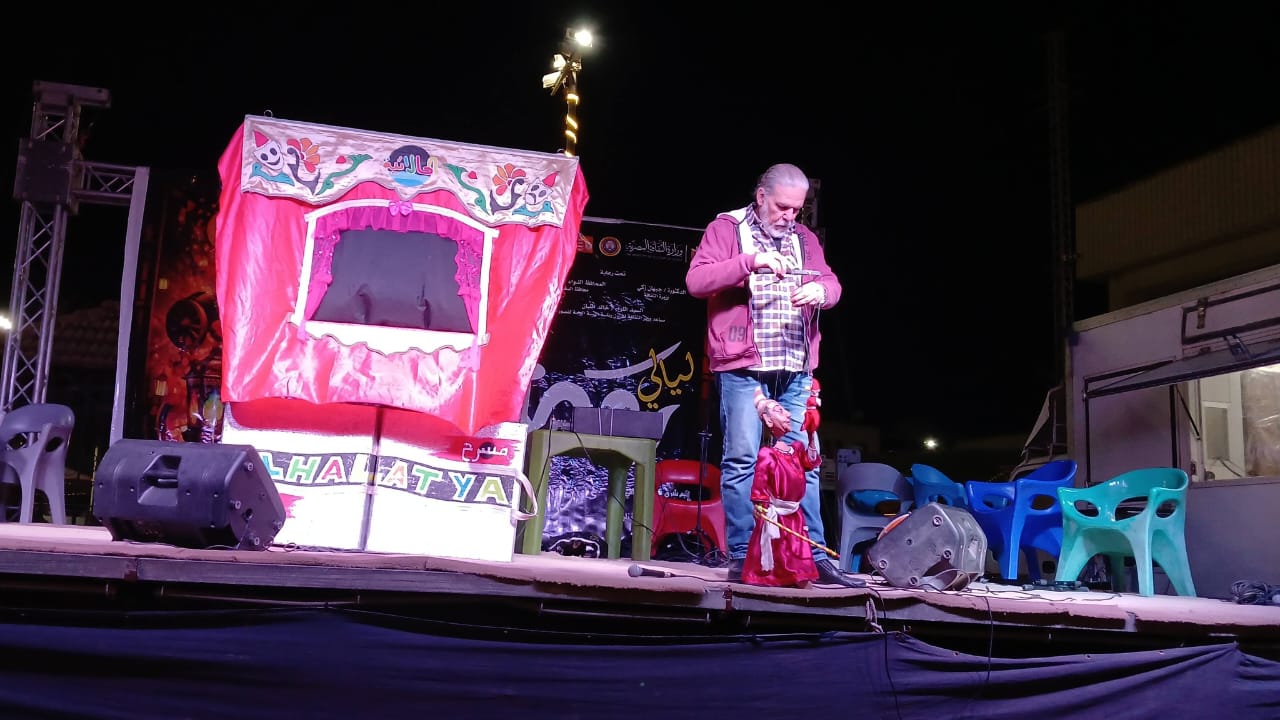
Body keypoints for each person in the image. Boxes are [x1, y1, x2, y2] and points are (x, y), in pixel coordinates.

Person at [685, 162, 864, 588]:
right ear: (761, 195)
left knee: (802, 464)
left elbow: (832, 283)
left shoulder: (804, 239)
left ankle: (813, 557)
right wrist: (750, 262)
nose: (789, 216)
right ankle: (743, 556)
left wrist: (822, 291)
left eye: (797, 209)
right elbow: (697, 281)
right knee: (742, 460)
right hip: (744, 367)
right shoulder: (728, 229)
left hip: (795, 368)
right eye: (782, 207)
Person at [742, 389, 819, 587]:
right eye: (779, 411)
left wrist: (811, 434)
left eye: (785, 410)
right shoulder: (767, 454)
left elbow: (810, 463)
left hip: (794, 512)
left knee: (796, 546)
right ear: (768, 420)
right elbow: (760, 482)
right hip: (776, 510)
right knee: (777, 545)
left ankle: (798, 577)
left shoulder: (797, 448)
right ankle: (771, 577)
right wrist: (760, 505)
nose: (788, 414)